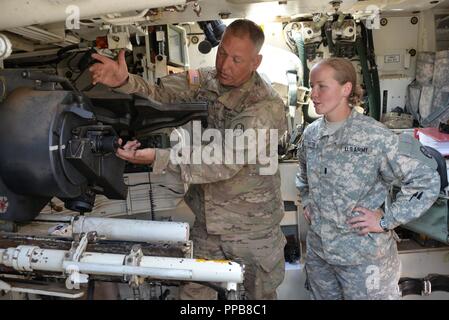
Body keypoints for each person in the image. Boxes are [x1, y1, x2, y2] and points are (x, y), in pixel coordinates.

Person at [89, 19, 287, 299]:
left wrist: (158, 157)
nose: (224, 65)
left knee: (254, 299)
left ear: (256, 62)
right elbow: (163, 93)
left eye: (236, 59)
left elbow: (223, 160)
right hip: (208, 225)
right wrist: (124, 81)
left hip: (251, 231)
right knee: (194, 296)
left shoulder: (264, 107)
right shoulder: (210, 80)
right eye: (222, 53)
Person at [295, 57, 440, 300]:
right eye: (312, 86)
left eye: (322, 86)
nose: (314, 94)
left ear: (346, 89)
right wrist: (308, 201)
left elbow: (426, 182)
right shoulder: (311, 134)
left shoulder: (375, 137)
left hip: (363, 260)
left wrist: (386, 220)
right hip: (321, 255)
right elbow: (303, 174)